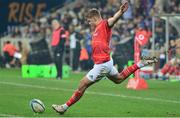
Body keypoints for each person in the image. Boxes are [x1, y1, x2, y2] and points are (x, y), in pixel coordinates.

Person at [52, 1, 157, 114]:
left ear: (94, 18)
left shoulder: (104, 25)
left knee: (82, 84)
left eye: (89, 21)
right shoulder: (96, 29)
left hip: (102, 64)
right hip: (105, 62)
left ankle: (64, 107)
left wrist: (120, 12)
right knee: (119, 79)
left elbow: (112, 20)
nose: (89, 23)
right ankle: (140, 63)